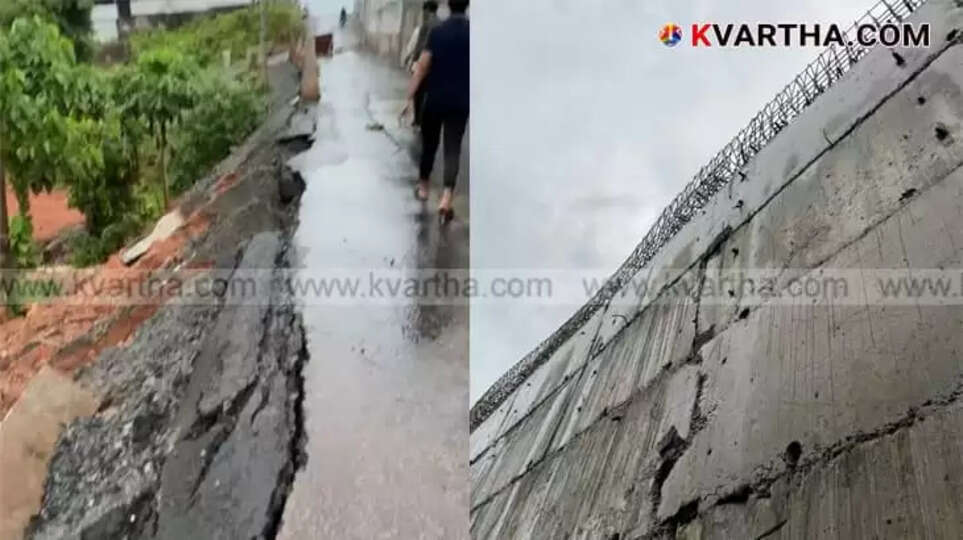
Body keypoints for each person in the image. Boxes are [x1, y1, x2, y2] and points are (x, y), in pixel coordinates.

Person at [403, 0, 469, 222]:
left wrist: (410, 96)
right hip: (461, 102)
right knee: (452, 148)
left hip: (435, 99)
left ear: (448, 5)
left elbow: (422, 66)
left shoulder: (437, 32)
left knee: (429, 144)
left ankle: (423, 188)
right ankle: (446, 198)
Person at [403, 2, 440, 127]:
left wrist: (413, 62)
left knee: (419, 92)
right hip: (437, 65)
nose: (423, 14)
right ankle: (428, 119)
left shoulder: (425, 25)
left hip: (424, 63)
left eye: (424, 11)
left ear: (427, 11)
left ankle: (418, 120)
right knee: (431, 93)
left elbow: (420, 46)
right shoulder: (441, 24)